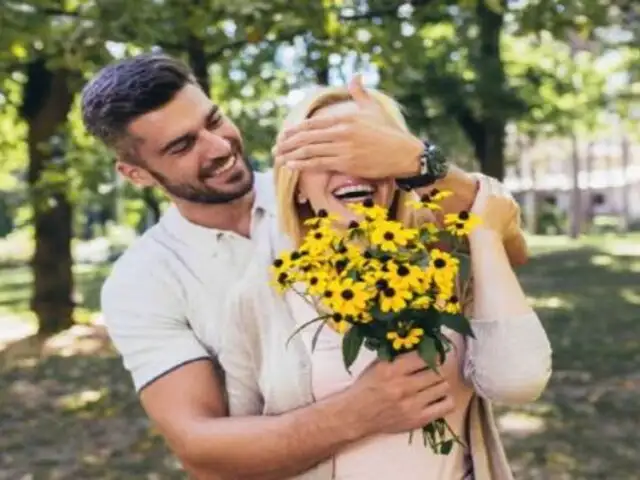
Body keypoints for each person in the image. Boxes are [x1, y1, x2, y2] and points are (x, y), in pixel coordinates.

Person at [81, 53, 534, 479]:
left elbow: (502, 245)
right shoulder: (143, 281)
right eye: (182, 146)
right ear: (135, 173)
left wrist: (417, 161)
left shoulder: (335, 187)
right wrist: (358, 411)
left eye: (214, 120)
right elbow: (201, 450)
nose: (218, 146)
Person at [217, 86, 552, 479]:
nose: (354, 165)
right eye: (328, 150)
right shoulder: (258, 296)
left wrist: (482, 233)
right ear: (297, 185)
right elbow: (240, 455)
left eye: (369, 147)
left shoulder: (444, 263)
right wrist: (354, 413)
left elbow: (519, 380)